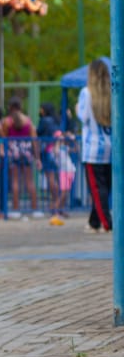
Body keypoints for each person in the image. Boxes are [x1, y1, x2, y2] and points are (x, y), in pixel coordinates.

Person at [78, 57, 112, 233]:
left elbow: (83, 117)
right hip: (110, 146)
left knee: (97, 189)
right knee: (105, 187)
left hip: (93, 148)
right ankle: (94, 222)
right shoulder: (112, 93)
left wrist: (77, 108)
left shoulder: (86, 93)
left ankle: (107, 222)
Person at [2, 98, 40, 219]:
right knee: (30, 181)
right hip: (27, 150)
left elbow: (4, 138)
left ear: (10, 107)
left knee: (15, 181)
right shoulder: (28, 121)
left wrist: (4, 151)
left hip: (13, 151)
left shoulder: (7, 122)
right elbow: (34, 140)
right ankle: (35, 209)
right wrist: (37, 157)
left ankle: (16, 209)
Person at [36, 102, 68, 221]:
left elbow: (38, 133)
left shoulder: (44, 121)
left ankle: (55, 203)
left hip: (47, 150)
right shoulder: (56, 120)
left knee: (50, 179)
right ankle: (59, 204)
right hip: (56, 151)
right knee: (57, 179)